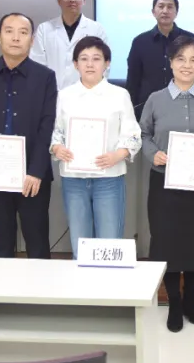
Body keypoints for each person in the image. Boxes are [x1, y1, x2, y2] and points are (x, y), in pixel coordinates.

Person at [139, 34, 194, 333]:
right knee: (167, 244)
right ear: (171, 62)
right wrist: (154, 153)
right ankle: (174, 302)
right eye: (180, 59)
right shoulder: (156, 99)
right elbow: (143, 135)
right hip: (164, 185)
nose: (187, 65)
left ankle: (191, 300)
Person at [0, 12, 58, 259]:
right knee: (0, 243)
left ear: (32, 40)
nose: (16, 38)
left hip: (32, 175)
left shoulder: (45, 77)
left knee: (37, 242)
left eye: (23, 32)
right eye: (9, 31)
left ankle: (39, 286)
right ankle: (0, 286)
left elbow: (47, 126)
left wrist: (36, 171)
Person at [51, 37, 141, 259]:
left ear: (107, 63)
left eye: (96, 59)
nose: (90, 64)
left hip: (108, 178)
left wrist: (118, 154)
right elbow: (56, 131)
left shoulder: (120, 95)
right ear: (75, 64)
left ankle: (108, 282)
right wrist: (57, 147)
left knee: (109, 245)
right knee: (80, 243)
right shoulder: (65, 95)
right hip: (73, 179)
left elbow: (133, 135)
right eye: (84, 59)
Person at [126, 0, 194, 119]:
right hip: (147, 108)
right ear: (153, 12)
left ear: (176, 12)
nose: (165, 11)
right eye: (161, 6)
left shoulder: (191, 40)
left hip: (184, 107)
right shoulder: (140, 41)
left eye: (170, 7)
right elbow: (133, 80)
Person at [30, 0, 108, 90]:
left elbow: (104, 64)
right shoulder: (44, 29)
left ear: (84, 0)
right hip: (51, 93)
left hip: (87, 93)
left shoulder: (96, 29)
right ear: (59, 0)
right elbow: (37, 64)